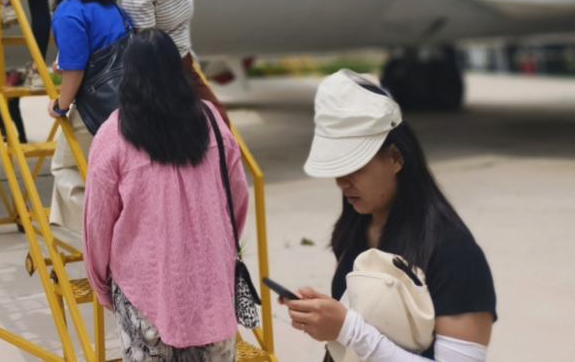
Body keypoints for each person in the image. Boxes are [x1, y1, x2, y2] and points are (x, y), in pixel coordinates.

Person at [288, 69, 496, 361]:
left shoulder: (455, 253)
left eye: (353, 166)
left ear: (396, 158)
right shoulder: (354, 228)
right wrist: (327, 318)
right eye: (336, 168)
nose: (341, 182)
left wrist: (349, 330)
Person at [83, 29, 248, 360]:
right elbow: (238, 200)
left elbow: (97, 222)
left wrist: (100, 283)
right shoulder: (212, 121)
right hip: (212, 289)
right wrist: (222, 250)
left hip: (144, 294)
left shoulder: (112, 134)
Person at [45, 0, 132, 234]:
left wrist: (60, 105)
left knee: (66, 168)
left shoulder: (68, 12)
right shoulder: (110, 5)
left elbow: (75, 70)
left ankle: (102, 234)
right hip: (132, 99)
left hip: (97, 109)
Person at [122, 0, 227, 119]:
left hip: (184, 59)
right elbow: (147, 43)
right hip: (159, 68)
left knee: (218, 117)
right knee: (177, 124)